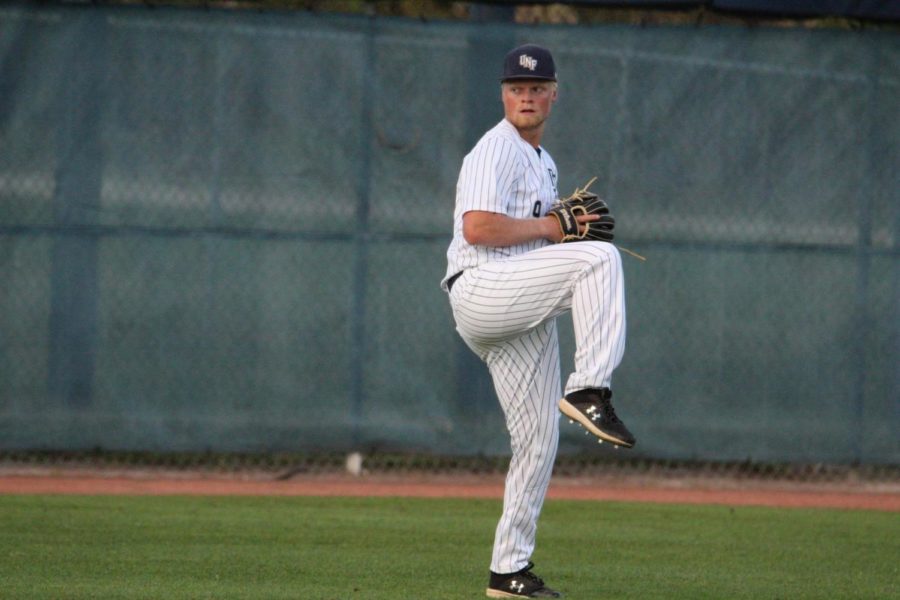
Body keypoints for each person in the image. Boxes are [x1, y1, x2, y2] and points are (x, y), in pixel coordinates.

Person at [441, 44, 636, 598]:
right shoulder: (494, 150)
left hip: (516, 303)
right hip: (480, 288)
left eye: (535, 88)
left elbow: (543, 239)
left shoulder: (543, 162)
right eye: (515, 88)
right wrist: (556, 230)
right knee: (600, 259)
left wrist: (559, 230)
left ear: (553, 94)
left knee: (537, 440)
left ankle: (508, 571)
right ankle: (591, 388)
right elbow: (477, 228)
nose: (525, 97)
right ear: (503, 94)